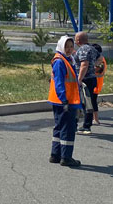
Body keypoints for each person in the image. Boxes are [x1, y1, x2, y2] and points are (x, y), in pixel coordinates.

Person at [48, 35, 82, 167]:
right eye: (66, 47)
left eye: (71, 46)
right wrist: (64, 100)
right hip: (65, 101)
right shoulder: (60, 61)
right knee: (68, 129)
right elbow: (59, 82)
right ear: (61, 46)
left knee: (59, 127)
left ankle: (55, 154)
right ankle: (66, 157)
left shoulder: (67, 60)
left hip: (62, 100)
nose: (69, 49)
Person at [73, 31, 98, 135]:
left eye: (75, 39)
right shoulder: (93, 48)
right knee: (90, 102)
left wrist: (79, 79)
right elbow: (100, 59)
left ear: (78, 40)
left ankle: (85, 126)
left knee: (84, 103)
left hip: (85, 80)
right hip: (92, 78)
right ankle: (86, 125)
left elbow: (84, 65)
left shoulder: (83, 49)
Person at [92, 43, 106, 125]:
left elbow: (96, 70)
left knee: (93, 102)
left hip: (96, 84)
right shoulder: (100, 59)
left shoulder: (100, 61)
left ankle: (96, 119)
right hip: (96, 84)